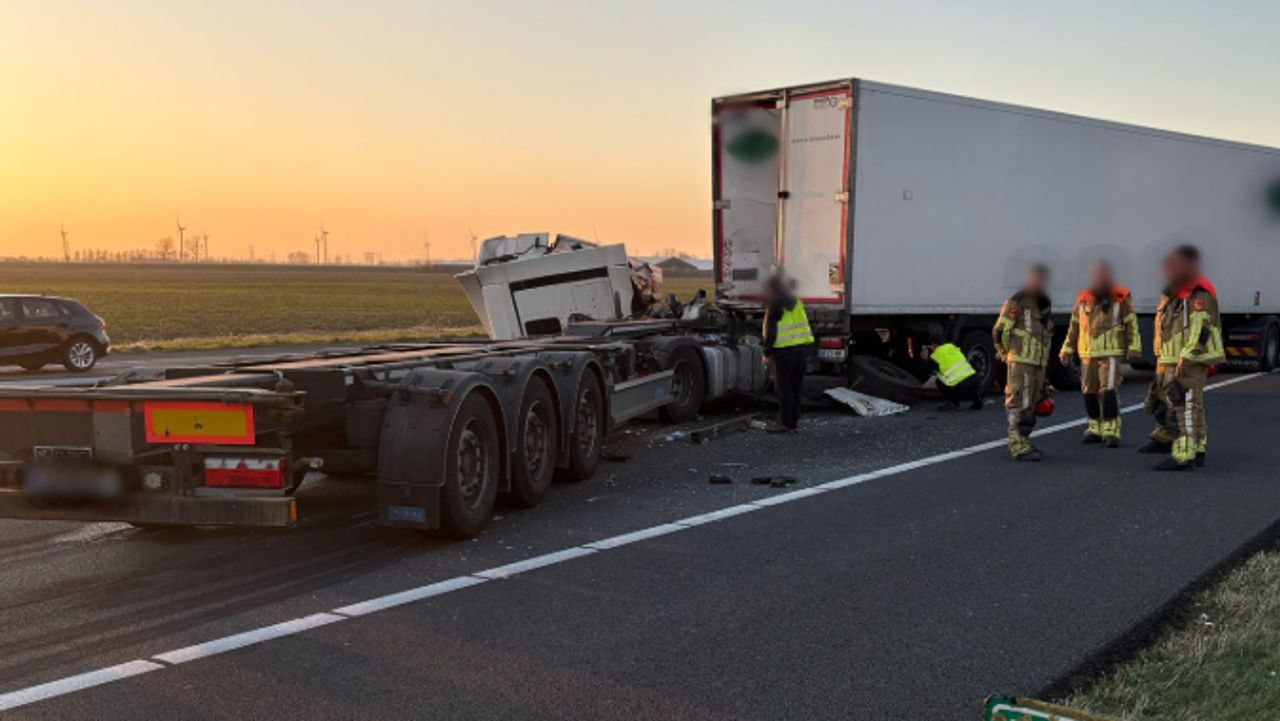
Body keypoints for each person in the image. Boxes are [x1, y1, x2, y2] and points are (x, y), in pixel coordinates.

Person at [1140, 245, 1223, 471]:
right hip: (1169, 359)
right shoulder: (1172, 293)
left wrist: (1187, 356)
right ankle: (1197, 448)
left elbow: (1200, 329)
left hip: (1187, 360)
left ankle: (1184, 454)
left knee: (1185, 405)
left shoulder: (1198, 293)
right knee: (1191, 406)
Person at [1059, 260, 1141, 447]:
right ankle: (1094, 427)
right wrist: (1066, 348)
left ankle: (1111, 430)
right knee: (1089, 391)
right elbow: (1074, 326)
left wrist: (1134, 346)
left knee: (1109, 390)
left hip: (1111, 353)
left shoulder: (1120, 296)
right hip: (1087, 353)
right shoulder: (1083, 298)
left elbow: (1131, 324)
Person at [993, 264, 1054, 461]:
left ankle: (1023, 442)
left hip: (1037, 364)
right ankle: (1017, 446)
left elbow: (1045, 336)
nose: (1040, 282)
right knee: (1019, 402)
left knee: (1031, 405)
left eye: (1043, 278)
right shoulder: (1018, 300)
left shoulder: (1044, 303)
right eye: (1036, 278)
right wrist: (1005, 353)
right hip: (1020, 362)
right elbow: (1000, 330)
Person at [762, 273, 813, 433]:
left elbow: (771, 330)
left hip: (783, 352)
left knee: (783, 390)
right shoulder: (797, 302)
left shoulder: (775, 303)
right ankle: (793, 423)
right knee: (795, 389)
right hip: (800, 351)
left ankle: (784, 423)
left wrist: (766, 352)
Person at [927, 331, 983, 411]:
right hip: (975, 384)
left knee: (938, 381)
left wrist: (926, 359)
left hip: (960, 388)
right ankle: (976, 400)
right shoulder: (952, 347)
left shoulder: (935, 355)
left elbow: (929, 370)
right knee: (964, 379)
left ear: (933, 345)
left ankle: (953, 402)